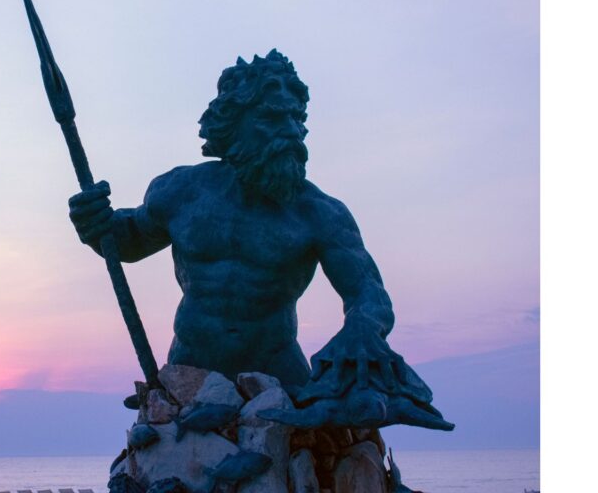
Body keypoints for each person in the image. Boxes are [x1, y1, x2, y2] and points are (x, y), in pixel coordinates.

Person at [69, 50, 451, 430]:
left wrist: (362, 329)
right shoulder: (181, 192)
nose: (290, 129)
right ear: (234, 123)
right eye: (271, 117)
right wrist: (95, 224)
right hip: (188, 375)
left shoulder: (318, 213)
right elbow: (129, 240)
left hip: (279, 376)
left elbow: (368, 291)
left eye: (296, 118)